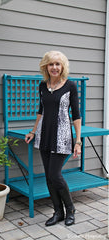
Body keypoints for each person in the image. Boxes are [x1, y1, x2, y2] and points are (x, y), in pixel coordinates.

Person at [25, 51, 81, 226]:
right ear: (46, 66)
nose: (54, 67)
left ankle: (70, 209)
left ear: (62, 66)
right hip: (44, 135)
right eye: (51, 64)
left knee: (55, 175)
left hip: (62, 136)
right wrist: (33, 132)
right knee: (49, 177)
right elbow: (41, 110)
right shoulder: (43, 85)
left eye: (58, 64)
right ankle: (58, 212)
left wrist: (77, 140)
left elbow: (76, 115)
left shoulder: (70, 85)